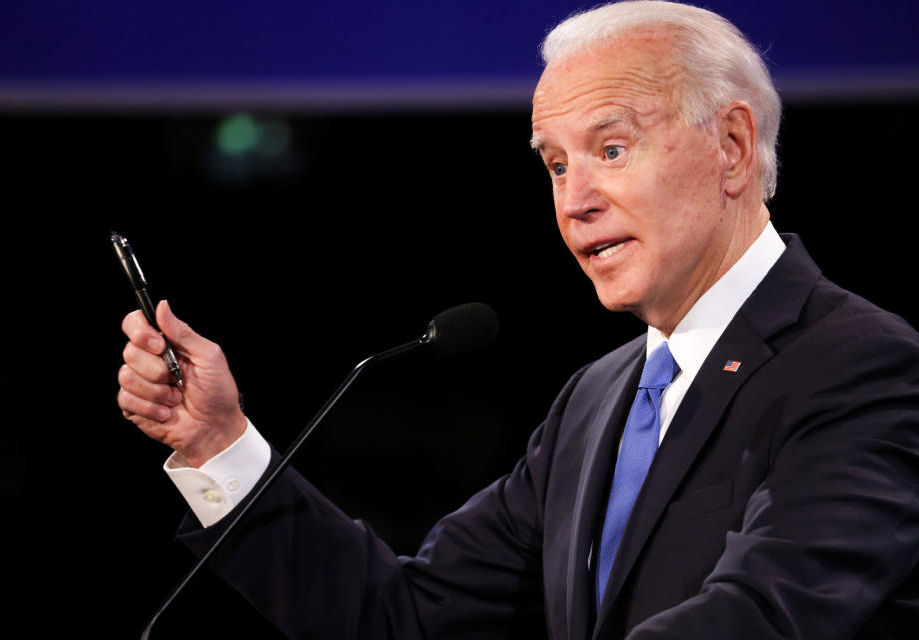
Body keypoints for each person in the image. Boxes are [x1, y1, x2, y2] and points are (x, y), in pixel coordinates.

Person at [117, 2, 919, 638]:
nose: (575, 201)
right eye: (557, 165)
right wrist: (218, 444)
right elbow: (408, 618)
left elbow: (769, 616)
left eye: (611, 150)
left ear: (735, 148)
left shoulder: (863, 367)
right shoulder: (595, 401)